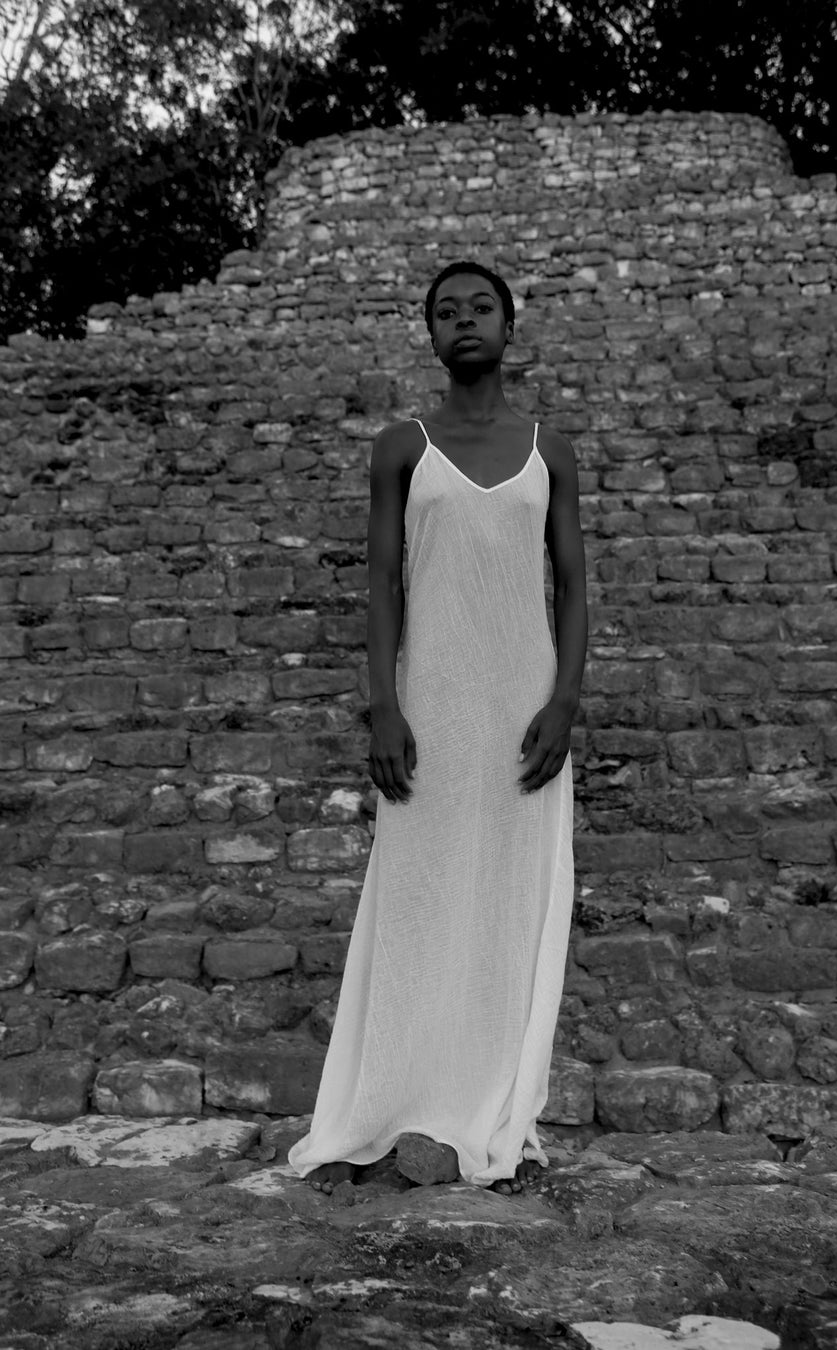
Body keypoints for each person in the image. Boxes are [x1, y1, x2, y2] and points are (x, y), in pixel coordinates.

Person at [288, 260, 587, 1196]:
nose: (466, 320)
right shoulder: (400, 447)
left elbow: (574, 586)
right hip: (431, 702)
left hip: (523, 707)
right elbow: (381, 583)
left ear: (510, 324)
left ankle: (489, 1105)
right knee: (419, 891)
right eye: (446, 310)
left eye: (482, 307)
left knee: (512, 894)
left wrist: (566, 700)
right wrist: (383, 702)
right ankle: (394, 1099)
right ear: (430, 334)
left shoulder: (552, 452)